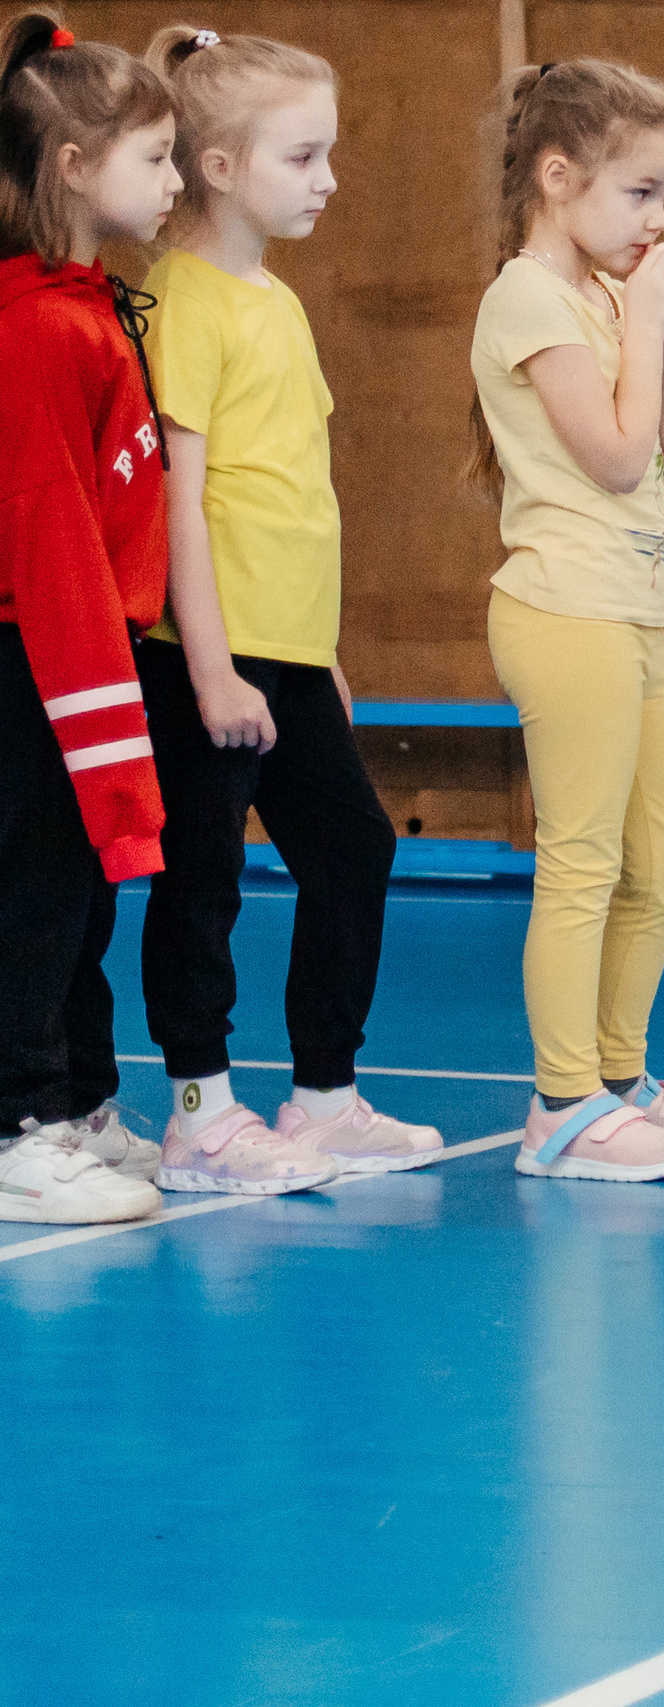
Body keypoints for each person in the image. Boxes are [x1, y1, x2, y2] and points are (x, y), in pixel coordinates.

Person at [136, 25, 441, 1194]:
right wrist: (212, 669)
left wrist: (323, 657)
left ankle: (323, 1097)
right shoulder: (183, 298)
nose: (327, 181)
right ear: (218, 167)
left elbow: (298, 495)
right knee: (201, 873)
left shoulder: (279, 301)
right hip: (206, 651)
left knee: (354, 847)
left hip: (289, 650)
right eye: (302, 158)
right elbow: (184, 498)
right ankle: (200, 1113)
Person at [469, 57, 664, 1180]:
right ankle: (561, 1106)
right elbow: (616, 452)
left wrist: (659, 327)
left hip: (629, 612)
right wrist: (642, 325)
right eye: (639, 192)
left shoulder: (605, 296)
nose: (659, 216)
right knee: (580, 863)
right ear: (557, 176)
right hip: (562, 609)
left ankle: (621, 1079)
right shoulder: (526, 297)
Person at [0, 11, 179, 1225]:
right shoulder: (35, 329)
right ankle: (19, 1123)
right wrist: (94, 695)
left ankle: (72, 1098)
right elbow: (51, 540)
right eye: (157, 158)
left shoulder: (90, 307)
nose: (175, 182)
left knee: (84, 893)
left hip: (89, 647)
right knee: (39, 889)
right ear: (72, 167)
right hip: (41, 656)